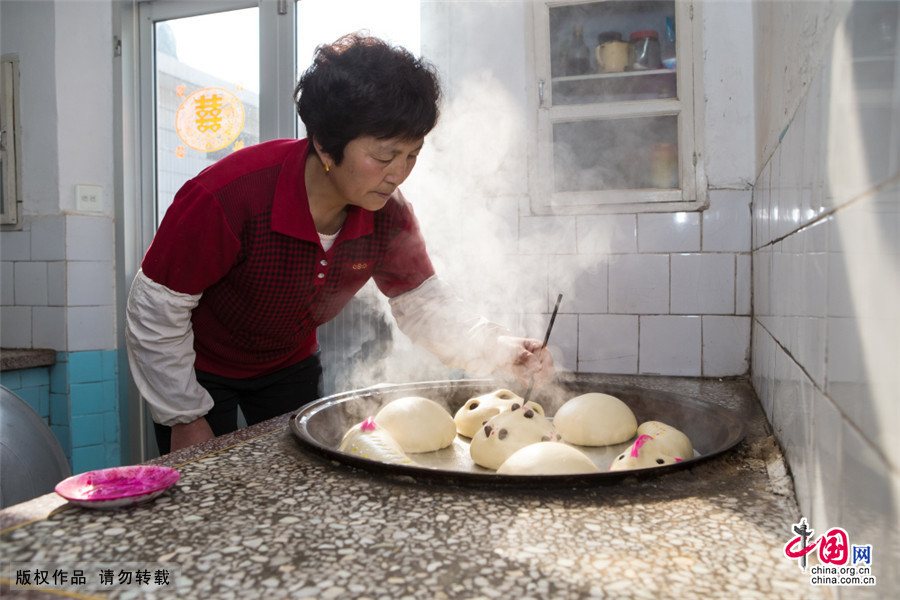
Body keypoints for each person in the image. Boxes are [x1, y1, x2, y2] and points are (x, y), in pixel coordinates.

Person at [125, 33, 554, 455]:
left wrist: (499, 348)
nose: (399, 173)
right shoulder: (230, 195)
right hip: (198, 369)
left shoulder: (389, 213)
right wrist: (184, 416)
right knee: (205, 491)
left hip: (289, 365)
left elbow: (423, 303)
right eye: (385, 156)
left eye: (412, 154)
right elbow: (155, 308)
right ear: (326, 146)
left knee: (293, 477)